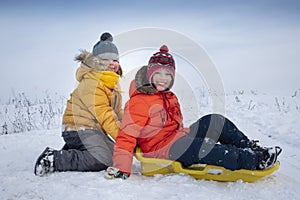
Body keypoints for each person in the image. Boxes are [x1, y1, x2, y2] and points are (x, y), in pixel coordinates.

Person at [106, 45, 282, 179]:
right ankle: (254, 160)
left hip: (178, 137)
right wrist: (122, 168)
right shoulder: (139, 102)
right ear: (149, 74)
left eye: (167, 74)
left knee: (215, 121)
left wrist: (188, 135)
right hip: (161, 149)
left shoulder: (169, 96)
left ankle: (250, 147)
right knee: (205, 148)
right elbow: (126, 136)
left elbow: (176, 125)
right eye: (158, 73)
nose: (163, 78)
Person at [34, 32, 123, 176]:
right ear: (96, 61)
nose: (112, 63)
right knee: (103, 158)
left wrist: (131, 132)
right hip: (78, 129)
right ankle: (53, 159)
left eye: (115, 59)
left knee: (116, 154)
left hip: (93, 131)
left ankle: (74, 150)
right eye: (106, 59)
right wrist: (123, 139)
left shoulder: (112, 82)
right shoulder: (92, 82)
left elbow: (118, 112)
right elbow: (105, 116)